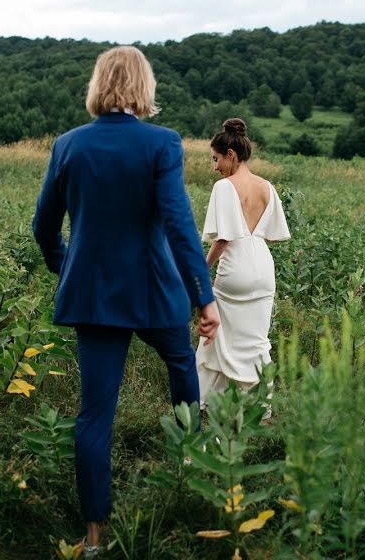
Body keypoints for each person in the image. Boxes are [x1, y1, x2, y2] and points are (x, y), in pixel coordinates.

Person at [32, 46, 219, 558]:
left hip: (91, 294)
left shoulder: (68, 145)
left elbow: (42, 226)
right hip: (153, 289)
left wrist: (64, 262)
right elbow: (180, 225)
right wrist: (203, 297)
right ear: (144, 86)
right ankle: (187, 463)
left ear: (98, 85)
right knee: (181, 362)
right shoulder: (162, 144)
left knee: (95, 414)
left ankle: (94, 538)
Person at [195, 118, 290, 407]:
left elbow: (223, 239)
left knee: (215, 338)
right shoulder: (266, 186)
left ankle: (207, 401)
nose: (214, 167)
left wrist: (201, 269)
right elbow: (273, 235)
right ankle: (260, 405)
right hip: (262, 266)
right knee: (256, 340)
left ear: (231, 155)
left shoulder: (225, 187)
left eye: (215, 159)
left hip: (235, 268)